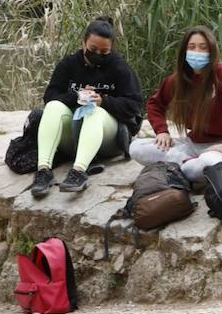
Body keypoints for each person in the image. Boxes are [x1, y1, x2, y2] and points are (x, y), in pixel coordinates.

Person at [30, 17, 144, 197]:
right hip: (73, 136)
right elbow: (50, 96)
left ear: (111, 49)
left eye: (104, 51)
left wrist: (103, 101)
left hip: (107, 138)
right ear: (83, 43)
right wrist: (75, 96)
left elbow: (135, 105)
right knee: (53, 107)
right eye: (93, 49)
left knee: (93, 112)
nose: (98, 54)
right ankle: (43, 170)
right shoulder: (68, 64)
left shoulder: (119, 67)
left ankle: (79, 171)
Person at [130, 26, 222, 183]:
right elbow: (155, 104)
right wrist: (162, 131)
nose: (197, 52)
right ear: (184, 51)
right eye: (192, 47)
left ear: (211, 51)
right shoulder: (178, 80)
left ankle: (186, 166)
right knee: (136, 148)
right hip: (192, 144)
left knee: (202, 165)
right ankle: (186, 162)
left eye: (203, 48)